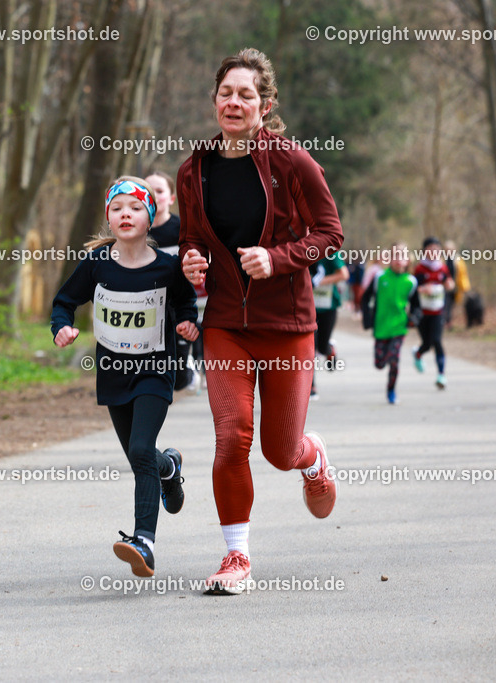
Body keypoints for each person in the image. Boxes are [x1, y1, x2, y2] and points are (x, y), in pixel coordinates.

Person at [178, 47, 343, 595]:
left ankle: (310, 454)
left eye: (246, 94)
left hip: (287, 326)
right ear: (215, 101)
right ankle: (236, 557)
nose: (234, 102)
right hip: (225, 322)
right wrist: (191, 259)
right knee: (231, 439)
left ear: (265, 104)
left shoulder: (293, 161)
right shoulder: (194, 170)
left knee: (278, 450)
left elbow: (329, 234)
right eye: (226, 92)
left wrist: (278, 259)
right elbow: (192, 238)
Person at [51, 176, 199, 578]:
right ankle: (168, 468)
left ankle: (144, 543)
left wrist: (187, 324)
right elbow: (64, 301)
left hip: (155, 370)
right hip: (114, 374)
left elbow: (187, 304)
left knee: (139, 449)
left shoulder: (168, 267)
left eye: (134, 208)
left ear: (150, 218)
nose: (125, 215)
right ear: (109, 219)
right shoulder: (97, 265)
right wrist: (60, 327)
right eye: (117, 209)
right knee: (143, 457)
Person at [146, 170, 200, 392]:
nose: (154, 195)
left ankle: (188, 372)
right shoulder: (136, 231)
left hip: (178, 306)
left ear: (170, 198)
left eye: (159, 191)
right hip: (147, 307)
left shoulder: (183, 230)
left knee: (178, 380)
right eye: (148, 191)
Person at [363, 244, 418, 404]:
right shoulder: (380, 278)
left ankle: (391, 390)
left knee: (394, 360)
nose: (398, 260)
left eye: (402, 256)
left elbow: (416, 305)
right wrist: (367, 319)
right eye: (395, 256)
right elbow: (365, 298)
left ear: (408, 260)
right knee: (379, 364)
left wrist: (414, 318)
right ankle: (383, 361)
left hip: (399, 327)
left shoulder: (411, 281)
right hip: (381, 327)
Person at [413, 237, 454, 388]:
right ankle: (418, 353)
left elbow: (449, 283)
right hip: (423, 313)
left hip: (438, 312)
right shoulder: (419, 269)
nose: (434, 252)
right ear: (424, 251)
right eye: (431, 249)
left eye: (437, 249)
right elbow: (411, 288)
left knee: (437, 341)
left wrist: (449, 285)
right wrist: (423, 289)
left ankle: (441, 375)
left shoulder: (442, 267)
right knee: (427, 344)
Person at [309, 251, 349, 399]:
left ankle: (329, 349)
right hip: (307, 307)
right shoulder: (299, 246)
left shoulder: (330, 251)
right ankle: (311, 386)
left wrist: (318, 282)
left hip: (328, 306)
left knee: (321, 345)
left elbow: (344, 274)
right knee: (310, 347)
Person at [443, 240, 471, 329]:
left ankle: (449, 322)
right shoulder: (442, 259)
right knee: (445, 304)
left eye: (450, 249)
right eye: (447, 249)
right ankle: (446, 322)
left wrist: (465, 287)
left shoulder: (458, 260)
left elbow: (463, 275)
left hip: (456, 287)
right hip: (444, 287)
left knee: (451, 305)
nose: (449, 251)